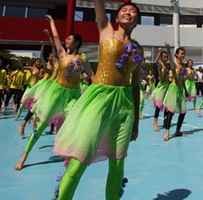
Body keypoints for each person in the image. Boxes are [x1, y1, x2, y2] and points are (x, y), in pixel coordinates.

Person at [53, 1, 143, 199]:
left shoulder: (138, 49)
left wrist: (136, 120)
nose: (129, 13)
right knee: (80, 158)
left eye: (133, 12)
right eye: (125, 10)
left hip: (125, 105)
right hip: (99, 100)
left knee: (118, 163)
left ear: (137, 20)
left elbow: (136, 86)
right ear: (117, 17)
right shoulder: (107, 30)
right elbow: (98, 6)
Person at [13, 14, 94, 171]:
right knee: (41, 127)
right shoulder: (62, 55)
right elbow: (56, 38)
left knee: (74, 122)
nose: (66, 41)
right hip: (56, 94)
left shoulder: (83, 58)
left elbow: (92, 76)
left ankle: (71, 152)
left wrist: (98, 89)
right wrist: (52, 23)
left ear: (76, 42)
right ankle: (24, 155)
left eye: (69, 39)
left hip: (72, 96)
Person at [162, 42, 187, 141]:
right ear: (176, 54)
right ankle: (167, 131)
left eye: (183, 54)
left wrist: (185, 90)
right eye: (181, 53)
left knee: (183, 112)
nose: (182, 55)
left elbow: (183, 79)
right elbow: (171, 59)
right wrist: (168, 47)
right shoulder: (174, 64)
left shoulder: (183, 66)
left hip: (181, 89)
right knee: (171, 111)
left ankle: (178, 130)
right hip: (173, 89)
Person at [151, 47, 170, 131]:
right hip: (161, 87)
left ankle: (165, 122)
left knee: (166, 105)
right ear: (161, 57)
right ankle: (155, 122)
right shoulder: (160, 64)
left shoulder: (167, 65)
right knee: (158, 106)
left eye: (167, 57)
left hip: (167, 86)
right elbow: (155, 61)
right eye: (164, 57)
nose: (165, 58)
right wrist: (159, 52)